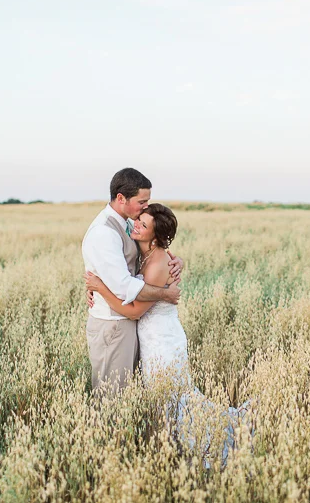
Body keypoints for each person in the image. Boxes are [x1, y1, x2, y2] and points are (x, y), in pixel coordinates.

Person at [85, 203, 250, 465]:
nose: (135, 225)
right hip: (151, 338)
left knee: (172, 396)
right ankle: (172, 444)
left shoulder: (159, 262)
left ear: (156, 237)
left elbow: (135, 312)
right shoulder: (149, 251)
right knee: (165, 395)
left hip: (162, 340)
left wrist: (100, 288)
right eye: (138, 219)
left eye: (143, 224)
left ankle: (196, 445)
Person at [81, 168, 183, 394]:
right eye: (142, 201)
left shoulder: (127, 222)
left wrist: (177, 262)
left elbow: (151, 251)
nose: (146, 207)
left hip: (134, 325)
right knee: (111, 395)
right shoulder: (104, 232)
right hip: (113, 323)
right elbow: (124, 286)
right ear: (121, 198)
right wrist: (165, 294)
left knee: (126, 393)